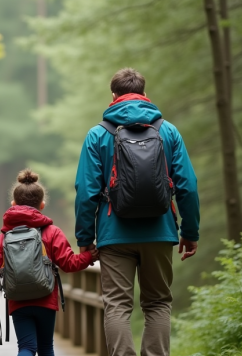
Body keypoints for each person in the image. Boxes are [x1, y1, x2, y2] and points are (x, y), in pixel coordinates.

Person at [74, 67, 200, 356]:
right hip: (160, 230)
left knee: (117, 304)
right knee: (157, 303)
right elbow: (188, 187)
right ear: (145, 94)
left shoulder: (97, 135)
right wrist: (190, 232)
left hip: (113, 234)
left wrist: (85, 239)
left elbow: (86, 192)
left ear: (113, 96)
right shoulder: (167, 131)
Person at [0, 169, 99, 356]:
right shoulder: (52, 232)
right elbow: (68, 264)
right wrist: (90, 256)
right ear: (42, 205)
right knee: (46, 347)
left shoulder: (4, 237)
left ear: (13, 204)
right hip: (45, 298)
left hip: (18, 300)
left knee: (26, 348)